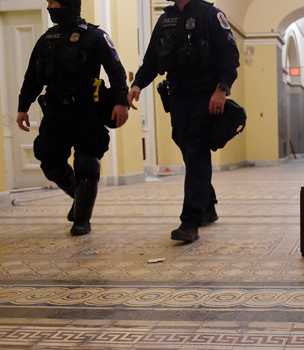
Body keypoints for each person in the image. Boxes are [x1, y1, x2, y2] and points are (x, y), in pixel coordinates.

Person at [127, 0, 240, 242]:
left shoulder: (211, 14)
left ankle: (190, 222)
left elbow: (230, 56)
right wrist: (137, 84)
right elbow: (151, 60)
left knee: (196, 151)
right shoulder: (165, 19)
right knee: (186, 147)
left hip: (204, 95)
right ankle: (207, 206)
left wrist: (222, 89)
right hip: (177, 97)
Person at [17, 0, 129, 236]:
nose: (49, 7)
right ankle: (80, 197)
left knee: (87, 164)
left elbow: (116, 71)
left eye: (53, 2)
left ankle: (81, 219)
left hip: (87, 110)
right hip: (55, 112)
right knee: (50, 163)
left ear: (67, 4)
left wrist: (121, 102)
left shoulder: (95, 36)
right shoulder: (47, 39)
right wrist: (22, 107)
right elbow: (32, 78)